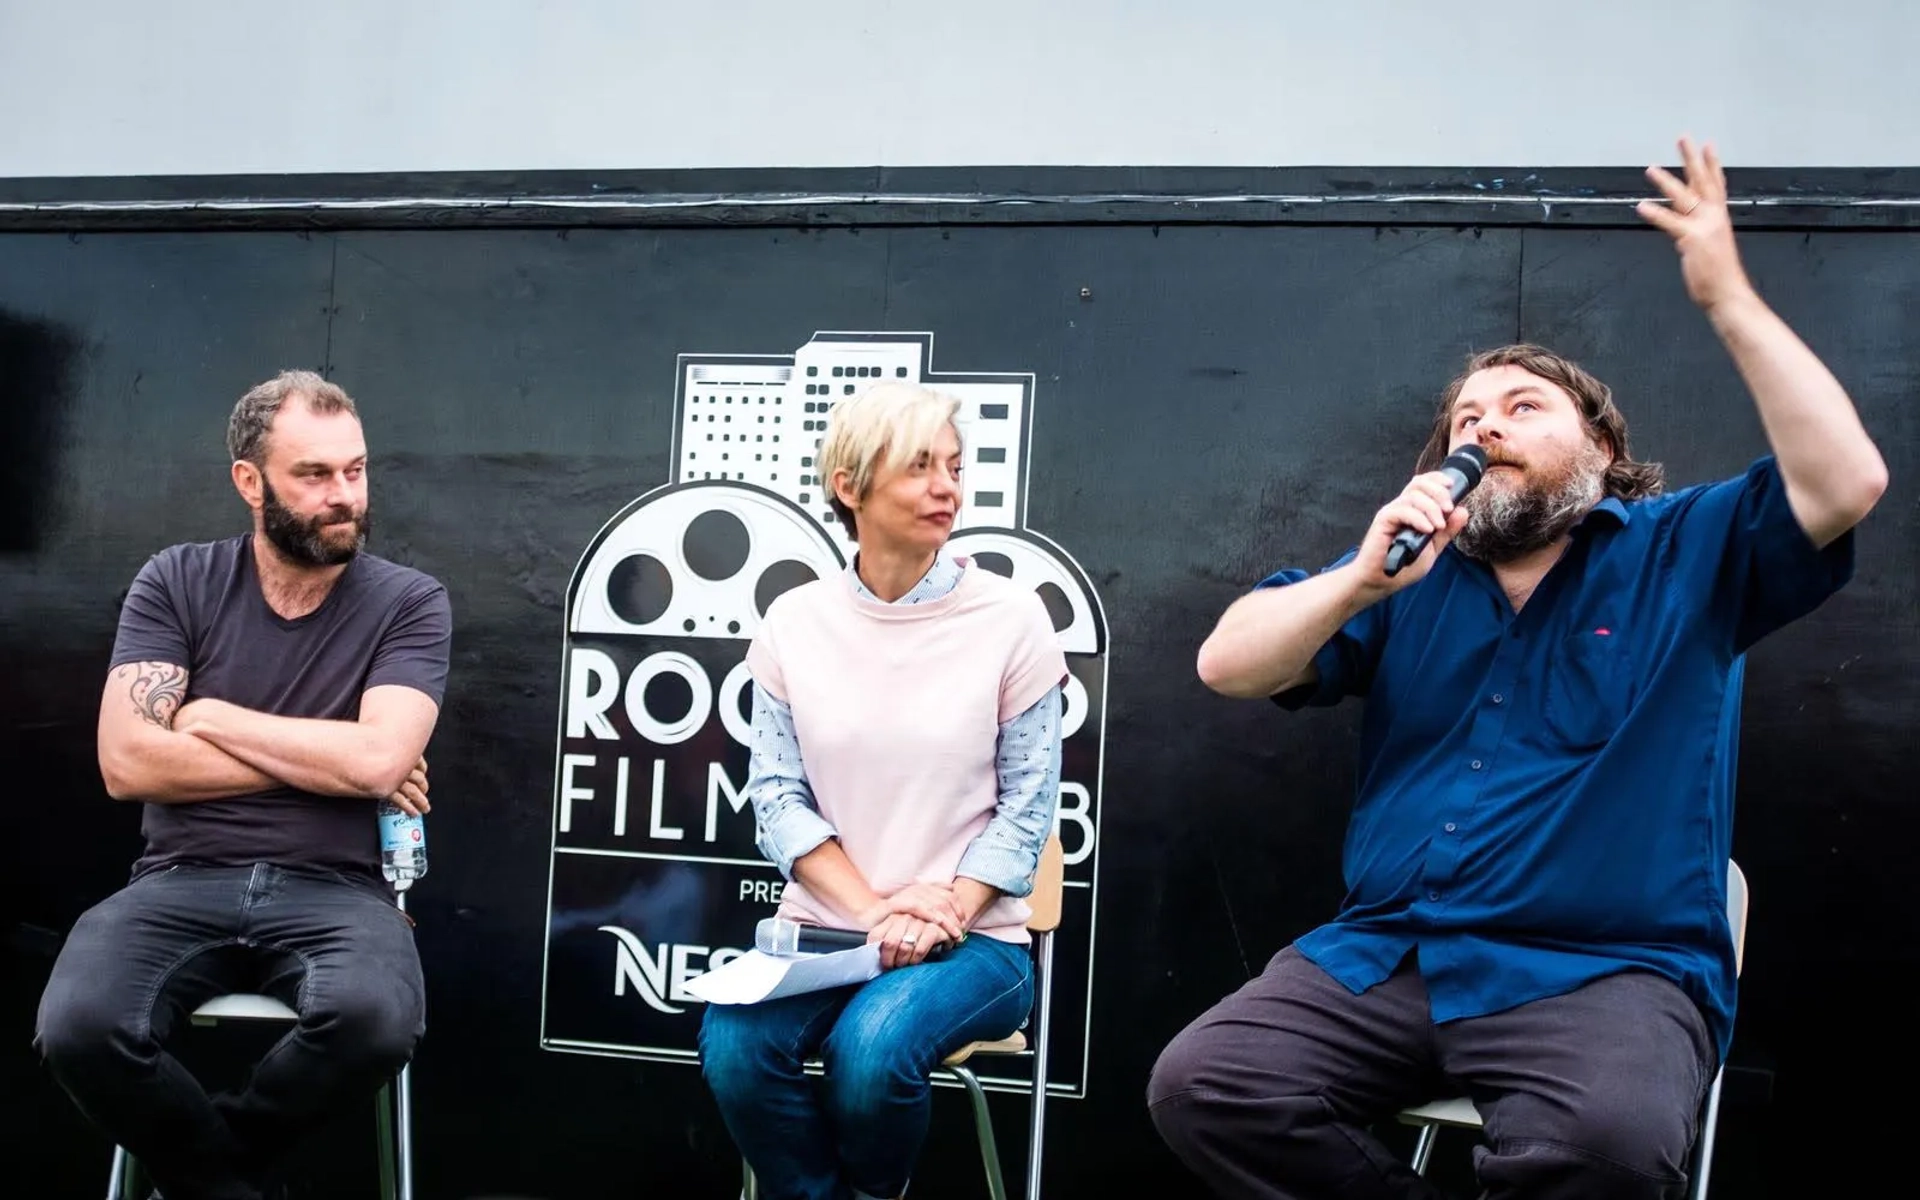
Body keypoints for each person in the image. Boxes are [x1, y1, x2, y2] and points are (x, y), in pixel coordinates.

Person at [1149, 137, 1888, 1200]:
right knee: (1206, 1085)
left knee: (1602, 1151)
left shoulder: (1683, 549)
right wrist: (1357, 584)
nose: (1486, 425)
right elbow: (1227, 665)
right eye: (1467, 418)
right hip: (1395, 955)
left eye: (1523, 408)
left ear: (1600, 448)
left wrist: (1726, 296)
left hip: (1605, 973)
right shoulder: (1404, 578)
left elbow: (1849, 480)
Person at [35, 370, 453, 1200]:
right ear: (249, 480)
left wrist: (210, 714)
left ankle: (199, 1175)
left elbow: (377, 763)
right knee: (78, 1028)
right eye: (314, 475)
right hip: (179, 881)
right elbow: (127, 764)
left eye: (356, 470)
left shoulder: (409, 602)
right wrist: (334, 758)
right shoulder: (177, 582)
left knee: (374, 1020)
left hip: (338, 890)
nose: (344, 496)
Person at [699, 381, 1068, 1200]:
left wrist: (942, 913)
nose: (947, 487)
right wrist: (874, 914)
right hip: (830, 935)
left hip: (979, 944)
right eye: (919, 467)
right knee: (734, 1049)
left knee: (871, 1051)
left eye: (955, 466)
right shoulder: (794, 623)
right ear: (850, 486)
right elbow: (778, 799)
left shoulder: (1012, 620)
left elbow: (1029, 808)